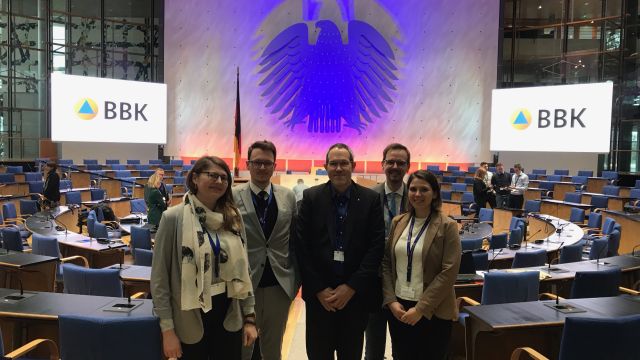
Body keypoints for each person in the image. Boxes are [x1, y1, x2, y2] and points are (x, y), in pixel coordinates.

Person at [151, 156, 258, 360]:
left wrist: (250, 317)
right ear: (195, 179)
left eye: (223, 177)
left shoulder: (233, 218)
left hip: (228, 314)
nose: (219, 181)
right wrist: (167, 331)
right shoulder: (173, 218)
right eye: (212, 175)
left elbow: (245, 270)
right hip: (189, 318)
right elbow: (159, 280)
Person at [296, 143, 385, 360]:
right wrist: (318, 289)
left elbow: (376, 247)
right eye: (333, 163)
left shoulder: (370, 200)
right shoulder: (311, 198)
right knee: (318, 354)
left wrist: (352, 287)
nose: (338, 168)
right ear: (325, 166)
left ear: (353, 165)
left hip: (355, 298)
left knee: (351, 355)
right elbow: (302, 246)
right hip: (320, 299)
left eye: (343, 163)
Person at [381, 170, 461, 360]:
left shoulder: (447, 226)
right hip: (400, 307)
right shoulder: (398, 222)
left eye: (424, 190)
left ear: (434, 193)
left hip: (433, 310)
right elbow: (386, 264)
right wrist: (391, 301)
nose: (417, 194)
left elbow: (449, 272)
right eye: (413, 189)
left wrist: (421, 309)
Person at [233, 141, 299, 360]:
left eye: (267, 163)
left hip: (278, 286)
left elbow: (294, 240)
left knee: (273, 350)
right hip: (244, 284)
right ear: (248, 164)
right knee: (243, 348)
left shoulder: (288, 196)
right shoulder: (233, 196)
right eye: (257, 162)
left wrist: (294, 281)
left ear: (274, 166)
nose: (262, 167)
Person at [366, 143, 411, 360]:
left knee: (403, 344)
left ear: (407, 167)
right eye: (390, 162)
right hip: (373, 280)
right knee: (373, 345)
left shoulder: (417, 198)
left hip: (406, 281)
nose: (395, 166)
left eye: (400, 163)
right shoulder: (367, 197)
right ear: (382, 164)